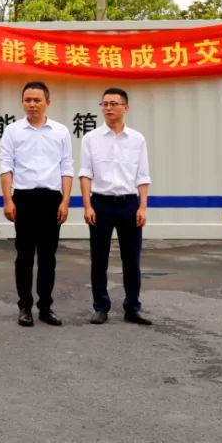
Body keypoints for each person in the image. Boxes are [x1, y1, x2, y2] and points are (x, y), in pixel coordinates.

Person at [0, 81, 73, 327]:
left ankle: (45, 306)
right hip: (24, 199)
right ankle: (25, 306)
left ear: (47, 103)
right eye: (28, 100)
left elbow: (66, 168)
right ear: (22, 103)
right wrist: (8, 200)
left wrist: (65, 201)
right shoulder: (13, 131)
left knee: (48, 256)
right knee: (24, 255)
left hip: (52, 199)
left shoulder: (60, 131)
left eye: (37, 100)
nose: (32, 104)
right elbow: (6, 166)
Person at [80, 87, 153, 325]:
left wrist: (142, 207)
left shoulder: (137, 140)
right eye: (105, 104)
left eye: (113, 104)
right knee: (99, 258)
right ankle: (101, 306)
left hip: (129, 204)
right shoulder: (91, 138)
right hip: (101, 204)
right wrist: (87, 205)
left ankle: (132, 306)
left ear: (125, 108)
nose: (108, 108)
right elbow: (85, 174)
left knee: (131, 259)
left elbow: (142, 176)